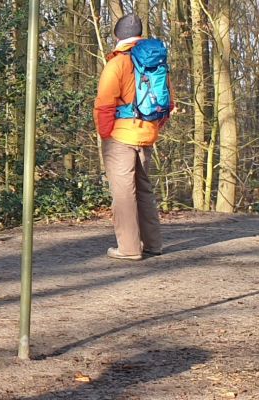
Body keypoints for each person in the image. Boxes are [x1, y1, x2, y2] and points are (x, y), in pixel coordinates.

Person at [94, 14, 168, 261]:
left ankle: (128, 248)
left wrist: (106, 135)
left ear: (117, 36)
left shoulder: (117, 63)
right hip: (146, 133)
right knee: (144, 189)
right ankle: (153, 244)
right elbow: (166, 103)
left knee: (124, 192)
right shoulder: (156, 62)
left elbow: (104, 104)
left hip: (120, 136)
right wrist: (153, 126)